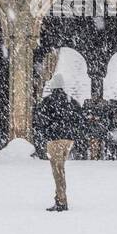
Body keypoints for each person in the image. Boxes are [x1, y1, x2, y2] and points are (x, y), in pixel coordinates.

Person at [33, 75, 82, 212]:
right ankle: (59, 198)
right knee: (60, 170)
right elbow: (79, 118)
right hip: (68, 141)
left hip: (55, 140)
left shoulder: (48, 101)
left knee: (57, 172)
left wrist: (46, 132)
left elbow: (40, 121)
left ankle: (61, 201)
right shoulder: (71, 101)